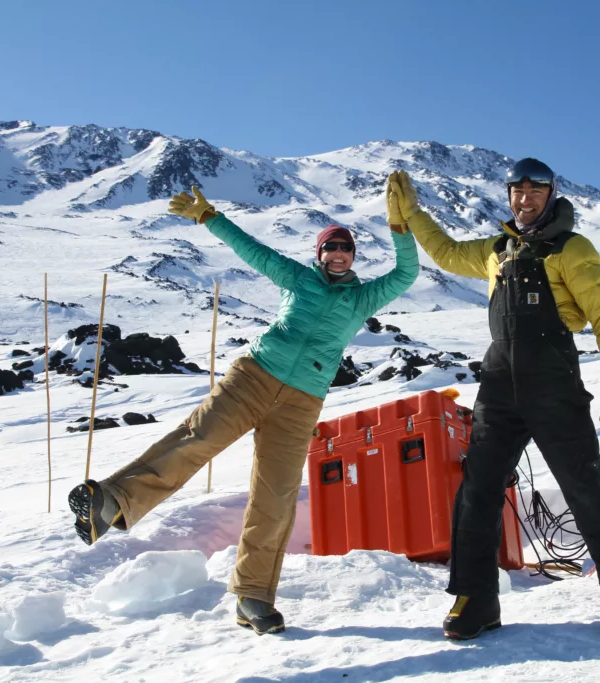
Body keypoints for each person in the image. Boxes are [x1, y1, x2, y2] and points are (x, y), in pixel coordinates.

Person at [69, 185, 418, 635]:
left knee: (276, 496)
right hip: (253, 376)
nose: (337, 253)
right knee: (198, 439)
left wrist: (398, 226)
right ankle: (112, 501)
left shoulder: (364, 298)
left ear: (353, 256)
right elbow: (252, 250)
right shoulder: (298, 277)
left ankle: (253, 596)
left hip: (302, 402)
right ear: (319, 253)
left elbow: (407, 272)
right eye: (330, 246)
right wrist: (208, 215)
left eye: (345, 247)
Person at [386, 160, 600, 640]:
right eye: (517, 190)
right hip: (499, 382)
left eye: (536, 190)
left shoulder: (571, 248)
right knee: (478, 489)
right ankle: (477, 599)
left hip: (553, 380)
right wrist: (415, 214)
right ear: (508, 195)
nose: (525, 198)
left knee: (584, 486)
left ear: (551, 195)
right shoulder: (496, 249)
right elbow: (445, 252)